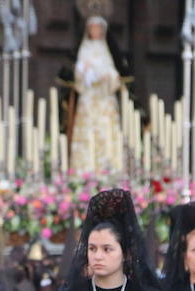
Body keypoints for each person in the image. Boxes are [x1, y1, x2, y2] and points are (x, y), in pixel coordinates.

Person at [69, 16, 123, 174]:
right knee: (87, 131)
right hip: (89, 96)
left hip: (104, 96)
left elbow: (116, 73)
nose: (95, 31)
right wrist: (83, 71)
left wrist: (108, 76)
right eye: (92, 27)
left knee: (105, 129)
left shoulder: (107, 49)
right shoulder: (84, 48)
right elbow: (77, 75)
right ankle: (85, 168)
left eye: (98, 28)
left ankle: (108, 167)